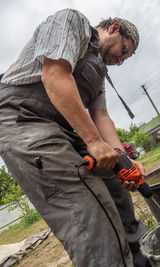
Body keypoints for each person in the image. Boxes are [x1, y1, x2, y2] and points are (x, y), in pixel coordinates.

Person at [0, 9, 151, 267]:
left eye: (125, 59)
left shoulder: (100, 73)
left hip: (63, 126)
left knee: (115, 183)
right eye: (124, 51)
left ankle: (140, 258)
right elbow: (55, 75)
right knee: (87, 206)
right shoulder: (72, 21)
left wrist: (123, 161)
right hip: (22, 118)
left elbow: (101, 117)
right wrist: (93, 143)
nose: (120, 60)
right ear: (114, 28)